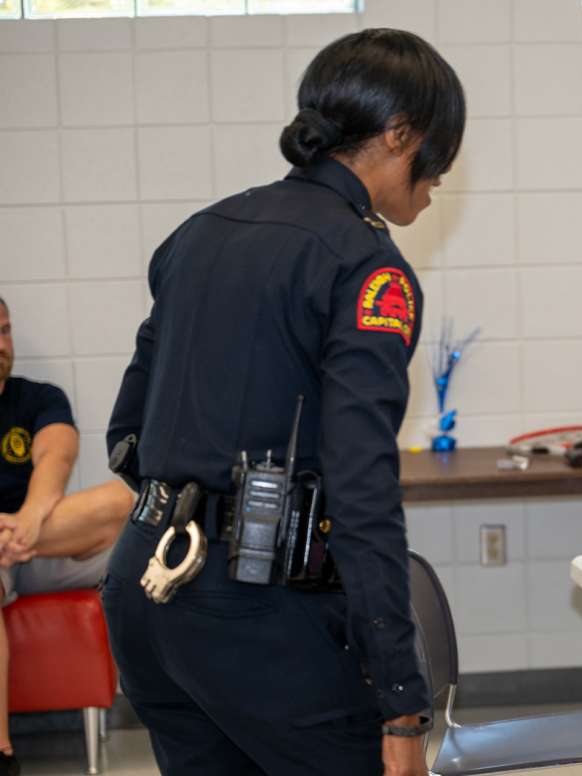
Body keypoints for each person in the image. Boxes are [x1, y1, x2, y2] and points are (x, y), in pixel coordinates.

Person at [100, 29, 464, 776]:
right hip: (254, 614)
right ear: (400, 136)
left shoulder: (201, 232)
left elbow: (126, 435)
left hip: (144, 589)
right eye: (438, 162)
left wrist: (196, 513)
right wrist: (402, 699)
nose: (435, 187)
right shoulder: (367, 270)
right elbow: (362, 491)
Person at [0, 297, 134, 776]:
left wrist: (28, 521)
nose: (2, 344)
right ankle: (3, 752)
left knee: (123, 503)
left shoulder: (37, 397)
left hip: (36, 543)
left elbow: (55, 455)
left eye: (5, 330)